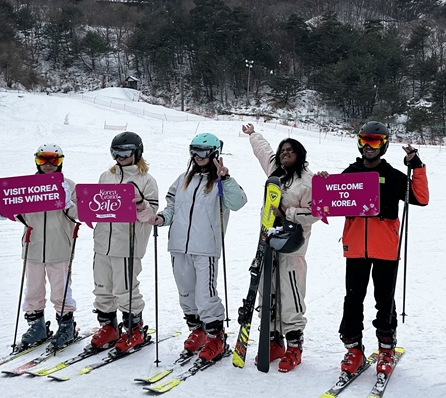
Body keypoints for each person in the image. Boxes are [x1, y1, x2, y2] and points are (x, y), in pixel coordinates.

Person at [318, 121, 429, 376]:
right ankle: (353, 348)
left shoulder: (392, 175)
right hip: (356, 247)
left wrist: (417, 168)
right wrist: (324, 184)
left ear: (384, 145)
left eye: (375, 141)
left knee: (384, 300)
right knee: (353, 299)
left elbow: (420, 198)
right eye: (365, 141)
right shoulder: (351, 172)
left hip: (385, 249)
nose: (369, 146)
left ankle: (386, 347)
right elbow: (328, 200)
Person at [149, 133, 247, 363]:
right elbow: (172, 205)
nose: (198, 156)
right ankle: (198, 330)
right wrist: (163, 218)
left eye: (203, 151)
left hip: (206, 247)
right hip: (178, 246)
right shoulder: (183, 178)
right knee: (186, 294)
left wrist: (226, 178)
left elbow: (238, 203)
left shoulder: (221, 182)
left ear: (214, 153)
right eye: (194, 150)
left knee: (205, 296)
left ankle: (216, 336)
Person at [241, 123, 319, 372]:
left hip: (293, 247)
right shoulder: (275, 172)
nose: (285, 154)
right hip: (267, 242)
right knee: (268, 291)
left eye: (290, 151)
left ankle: (294, 344)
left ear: (300, 154)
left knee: (290, 294)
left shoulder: (308, 180)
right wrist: (253, 134)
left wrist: (287, 212)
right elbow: (263, 151)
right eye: (282, 150)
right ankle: (273, 341)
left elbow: (315, 212)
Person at [0, 144, 79, 349]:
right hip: (33, 246)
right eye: (43, 160)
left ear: (60, 162)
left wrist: (69, 204)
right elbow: (22, 213)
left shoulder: (68, 185)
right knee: (33, 289)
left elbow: (78, 214)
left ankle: (66, 325)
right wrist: (9, 212)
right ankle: (36, 325)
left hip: (59, 247)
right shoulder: (27, 186)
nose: (49, 165)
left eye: (54, 160)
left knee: (60, 289)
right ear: (36, 161)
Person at [89, 132, 159, 352]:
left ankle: (134, 328)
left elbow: (150, 216)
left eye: (126, 152)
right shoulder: (105, 176)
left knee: (125, 288)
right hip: (103, 243)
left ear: (137, 152)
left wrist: (139, 203)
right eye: (116, 152)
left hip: (127, 244)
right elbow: (98, 204)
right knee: (102, 287)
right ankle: (108, 326)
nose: (121, 156)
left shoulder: (146, 180)